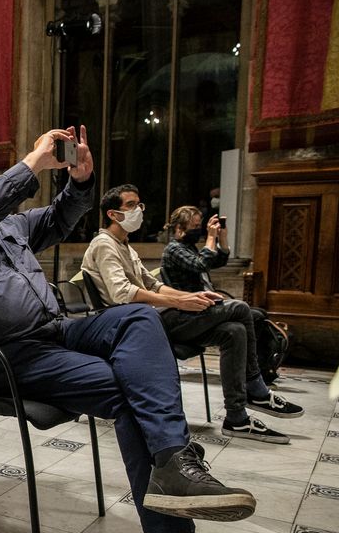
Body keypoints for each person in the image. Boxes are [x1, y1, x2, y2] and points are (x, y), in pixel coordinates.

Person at [0, 127, 260, 533]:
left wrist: (80, 181)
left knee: (137, 315)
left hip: (51, 332)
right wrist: (32, 161)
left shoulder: (7, 225)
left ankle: (173, 463)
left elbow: (58, 219)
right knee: (127, 390)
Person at [82, 185, 302, 444]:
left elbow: (152, 285)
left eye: (139, 204)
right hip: (134, 323)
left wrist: (187, 297)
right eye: (131, 205)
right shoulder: (104, 244)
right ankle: (256, 387)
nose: (139, 210)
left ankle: (237, 417)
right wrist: (179, 303)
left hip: (151, 316)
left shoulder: (126, 247)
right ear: (113, 214)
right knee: (241, 309)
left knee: (234, 331)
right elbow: (122, 293)